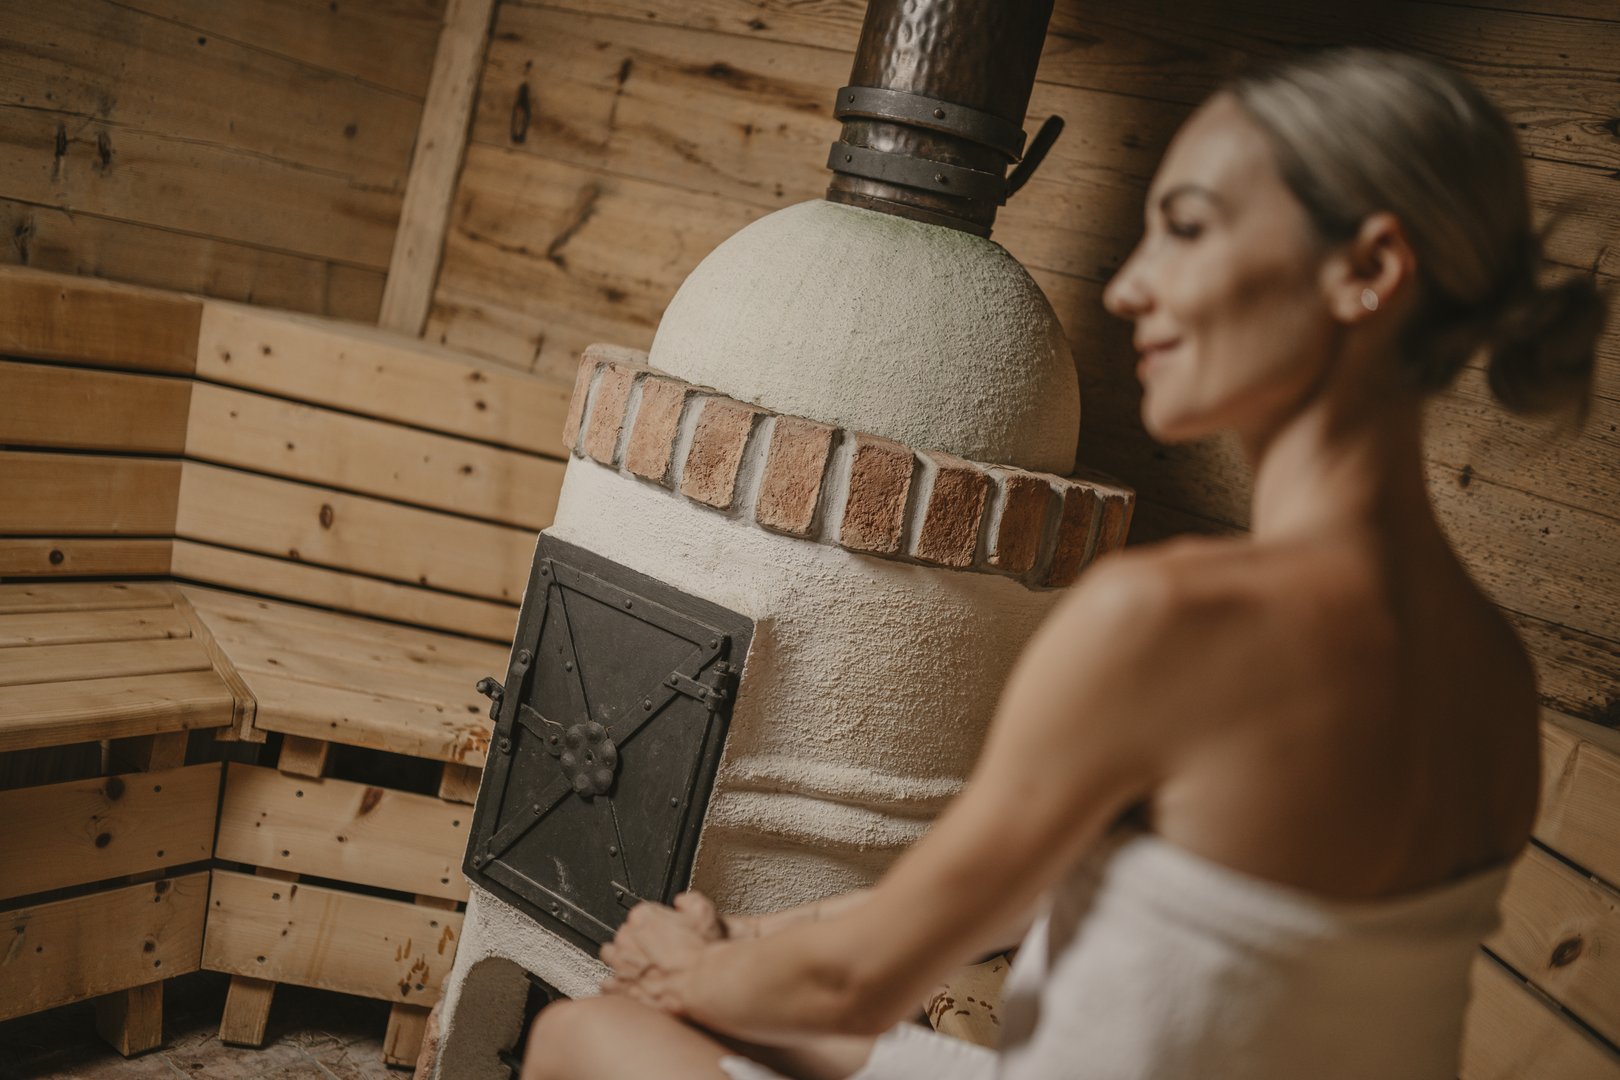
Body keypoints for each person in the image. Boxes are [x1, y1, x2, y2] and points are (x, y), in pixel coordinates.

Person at [518, 47, 1606, 1080]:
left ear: (1367, 268)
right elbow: (1029, 902)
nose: (1129, 288)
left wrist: (691, 969)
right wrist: (743, 950)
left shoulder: (1175, 619)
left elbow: (854, 985)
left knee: (585, 1034)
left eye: (1187, 229)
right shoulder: (1494, 673)